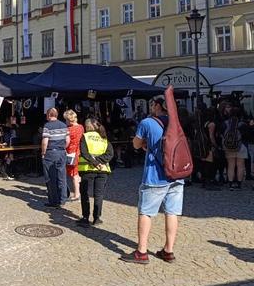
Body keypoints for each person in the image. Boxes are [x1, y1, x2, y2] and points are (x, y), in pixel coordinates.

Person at [121, 96, 184, 264]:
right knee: (172, 212)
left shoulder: (147, 123)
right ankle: (168, 250)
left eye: (152, 104)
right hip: (176, 174)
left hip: (155, 176)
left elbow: (135, 144)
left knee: (146, 212)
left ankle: (141, 251)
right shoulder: (176, 122)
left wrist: (145, 143)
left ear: (157, 106)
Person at [76, 119, 113, 227]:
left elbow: (84, 153)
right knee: (99, 194)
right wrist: (100, 163)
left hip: (88, 169)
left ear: (87, 127)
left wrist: (95, 163)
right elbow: (110, 154)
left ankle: (85, 218)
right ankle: (97, 218)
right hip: (103, 170)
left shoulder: (85, 137)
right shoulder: (103, 137)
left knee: (85, 194)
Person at [41, 108, 70, 208]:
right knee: (61, 176)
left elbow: (45, 142)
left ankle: (54, 200)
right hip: (62, 152)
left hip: (51, 153)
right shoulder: (64, 125)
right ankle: (63, 198)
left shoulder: (47, 126)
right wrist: (62, 148)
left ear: (49, 115)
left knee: (51, 177)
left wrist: (43, 153)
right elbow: (67, 140)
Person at [222, 107, 247, 190]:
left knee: (231, 165)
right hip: (241, 146)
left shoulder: (226, 123)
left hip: (229, 146)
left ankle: (230, 184)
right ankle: (239, 184)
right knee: (240, 165)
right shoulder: (242, 124)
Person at [64, 109, 84, 201]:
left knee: (72, 174)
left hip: (70, 153)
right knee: (76, 173)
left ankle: (76, 194)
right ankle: (78, 192)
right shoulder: (81, 127)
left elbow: (66, 142)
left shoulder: (68, 130)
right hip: (79, 152)